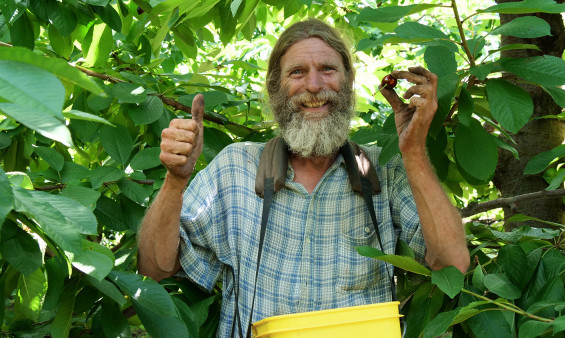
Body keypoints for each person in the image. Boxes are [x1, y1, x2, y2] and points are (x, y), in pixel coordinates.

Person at [138, 19, 469, 337]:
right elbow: (155, 268)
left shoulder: (377, 170)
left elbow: (452, 264)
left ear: (349, 82)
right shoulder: (236, 168)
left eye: (327, 70)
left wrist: (412, 151)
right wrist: (176, 180)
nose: (313, 86)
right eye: (298, 72)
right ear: (275, 88)